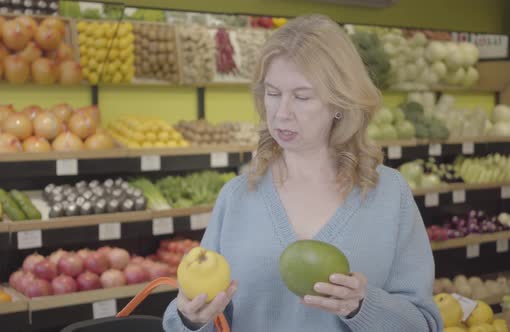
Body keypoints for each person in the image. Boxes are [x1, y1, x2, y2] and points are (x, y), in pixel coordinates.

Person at [163, 14, 443, 332]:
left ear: (340, 102)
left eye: (302, 96)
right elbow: (196, 315)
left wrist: (362, 306)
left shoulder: (389, 195)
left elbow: (424, 324)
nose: (282, 113)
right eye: (272, 93)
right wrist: (190, 318)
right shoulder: (238, 196)